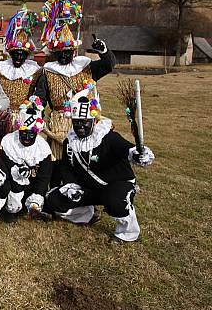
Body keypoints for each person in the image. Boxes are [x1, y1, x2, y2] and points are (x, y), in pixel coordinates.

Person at [43, 87, 154, 243]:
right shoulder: (70, 141)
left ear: (93, 121)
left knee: (114, 202)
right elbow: (66, 167)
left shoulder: (108, 137)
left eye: (85, 122)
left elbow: (126, 149)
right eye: (76, 122)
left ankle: (127, 233)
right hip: (89, 188)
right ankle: (87, 214)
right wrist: (70, 185)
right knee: (54, 199)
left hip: (116, 184)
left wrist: (137, 153)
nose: (80, 126)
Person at [35, 0, 115, 159]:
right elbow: (41, 99)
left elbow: (108, 65)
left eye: (68, 52)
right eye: (60, 52)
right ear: (54, 53)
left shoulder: (86, 67)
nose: (64, 55)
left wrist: (104, 51)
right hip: (59, 125)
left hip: (87, 121)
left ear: (74, 51)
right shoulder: (48, 72)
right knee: (60, 163)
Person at [0, 96, 53, 222]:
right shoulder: (9, 142)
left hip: (32, 186)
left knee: (39, 194)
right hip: (13, 185)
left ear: (37, 133)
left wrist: (37, 195)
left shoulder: (42, 148)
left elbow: (44, 177)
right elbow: (4, 168)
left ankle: (33, 208)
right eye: (24, 134)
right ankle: (11, 210)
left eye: (31, 134)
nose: (27, 138)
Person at [0, 6, 42, 120]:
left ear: (26, 56)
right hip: (2, 116)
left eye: (22, 55)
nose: (18, 57)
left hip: (24, 116)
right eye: (16, 54)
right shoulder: (0, 68)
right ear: (11, 54)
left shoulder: (34, 71)